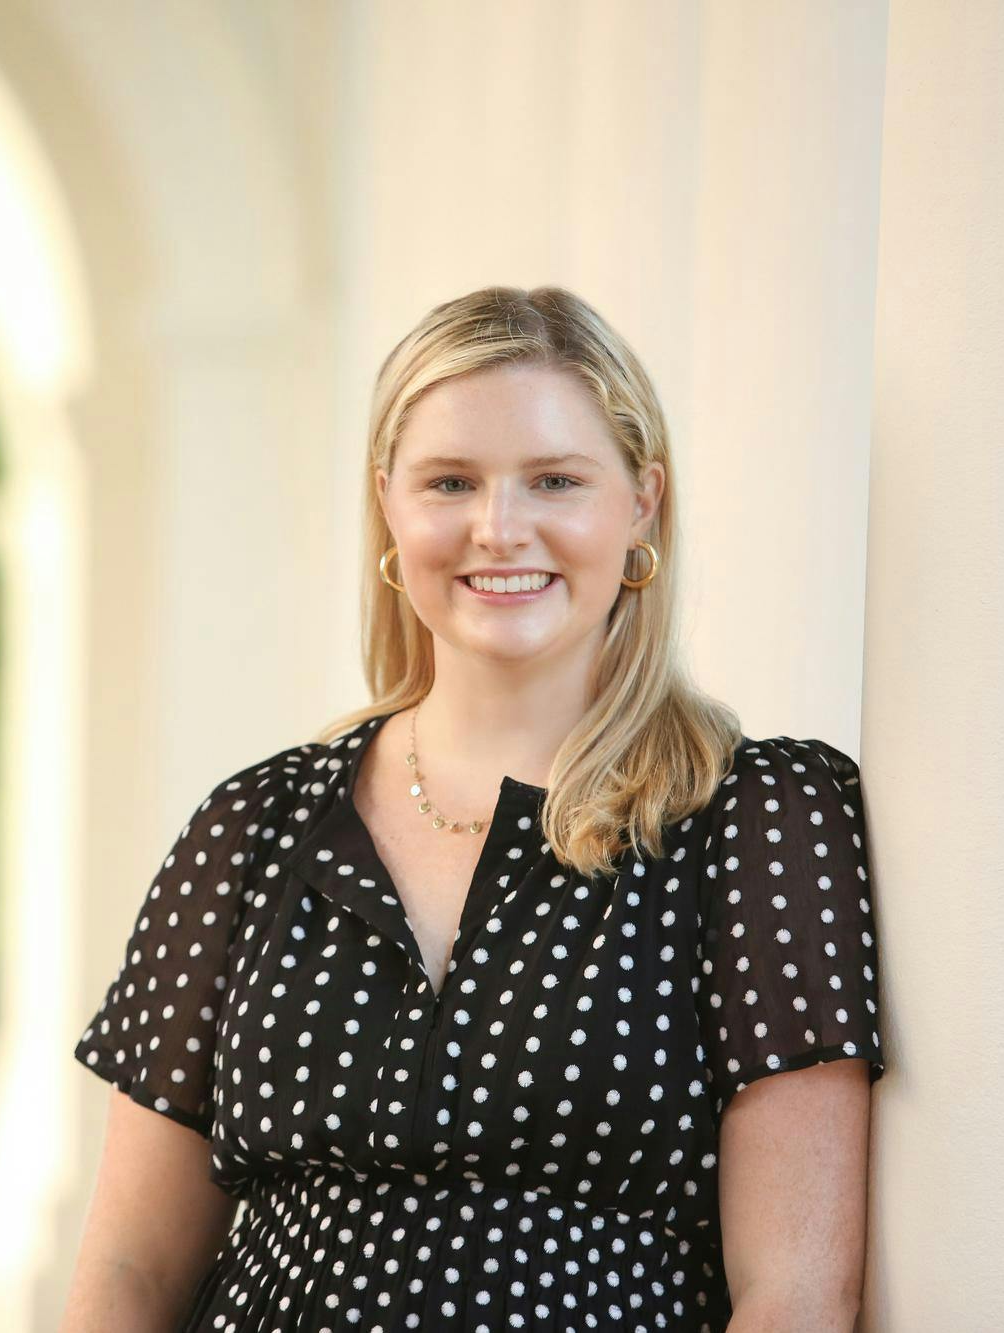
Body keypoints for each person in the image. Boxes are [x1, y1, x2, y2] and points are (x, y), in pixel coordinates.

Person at [60, 285, 886, 1332]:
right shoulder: (251, 829)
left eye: (553, 480)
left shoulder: (757, 819)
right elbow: (128, 1270)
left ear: (640, 501)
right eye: (449, 481)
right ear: (388, 508)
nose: (499, 529)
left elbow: (798, 1293)